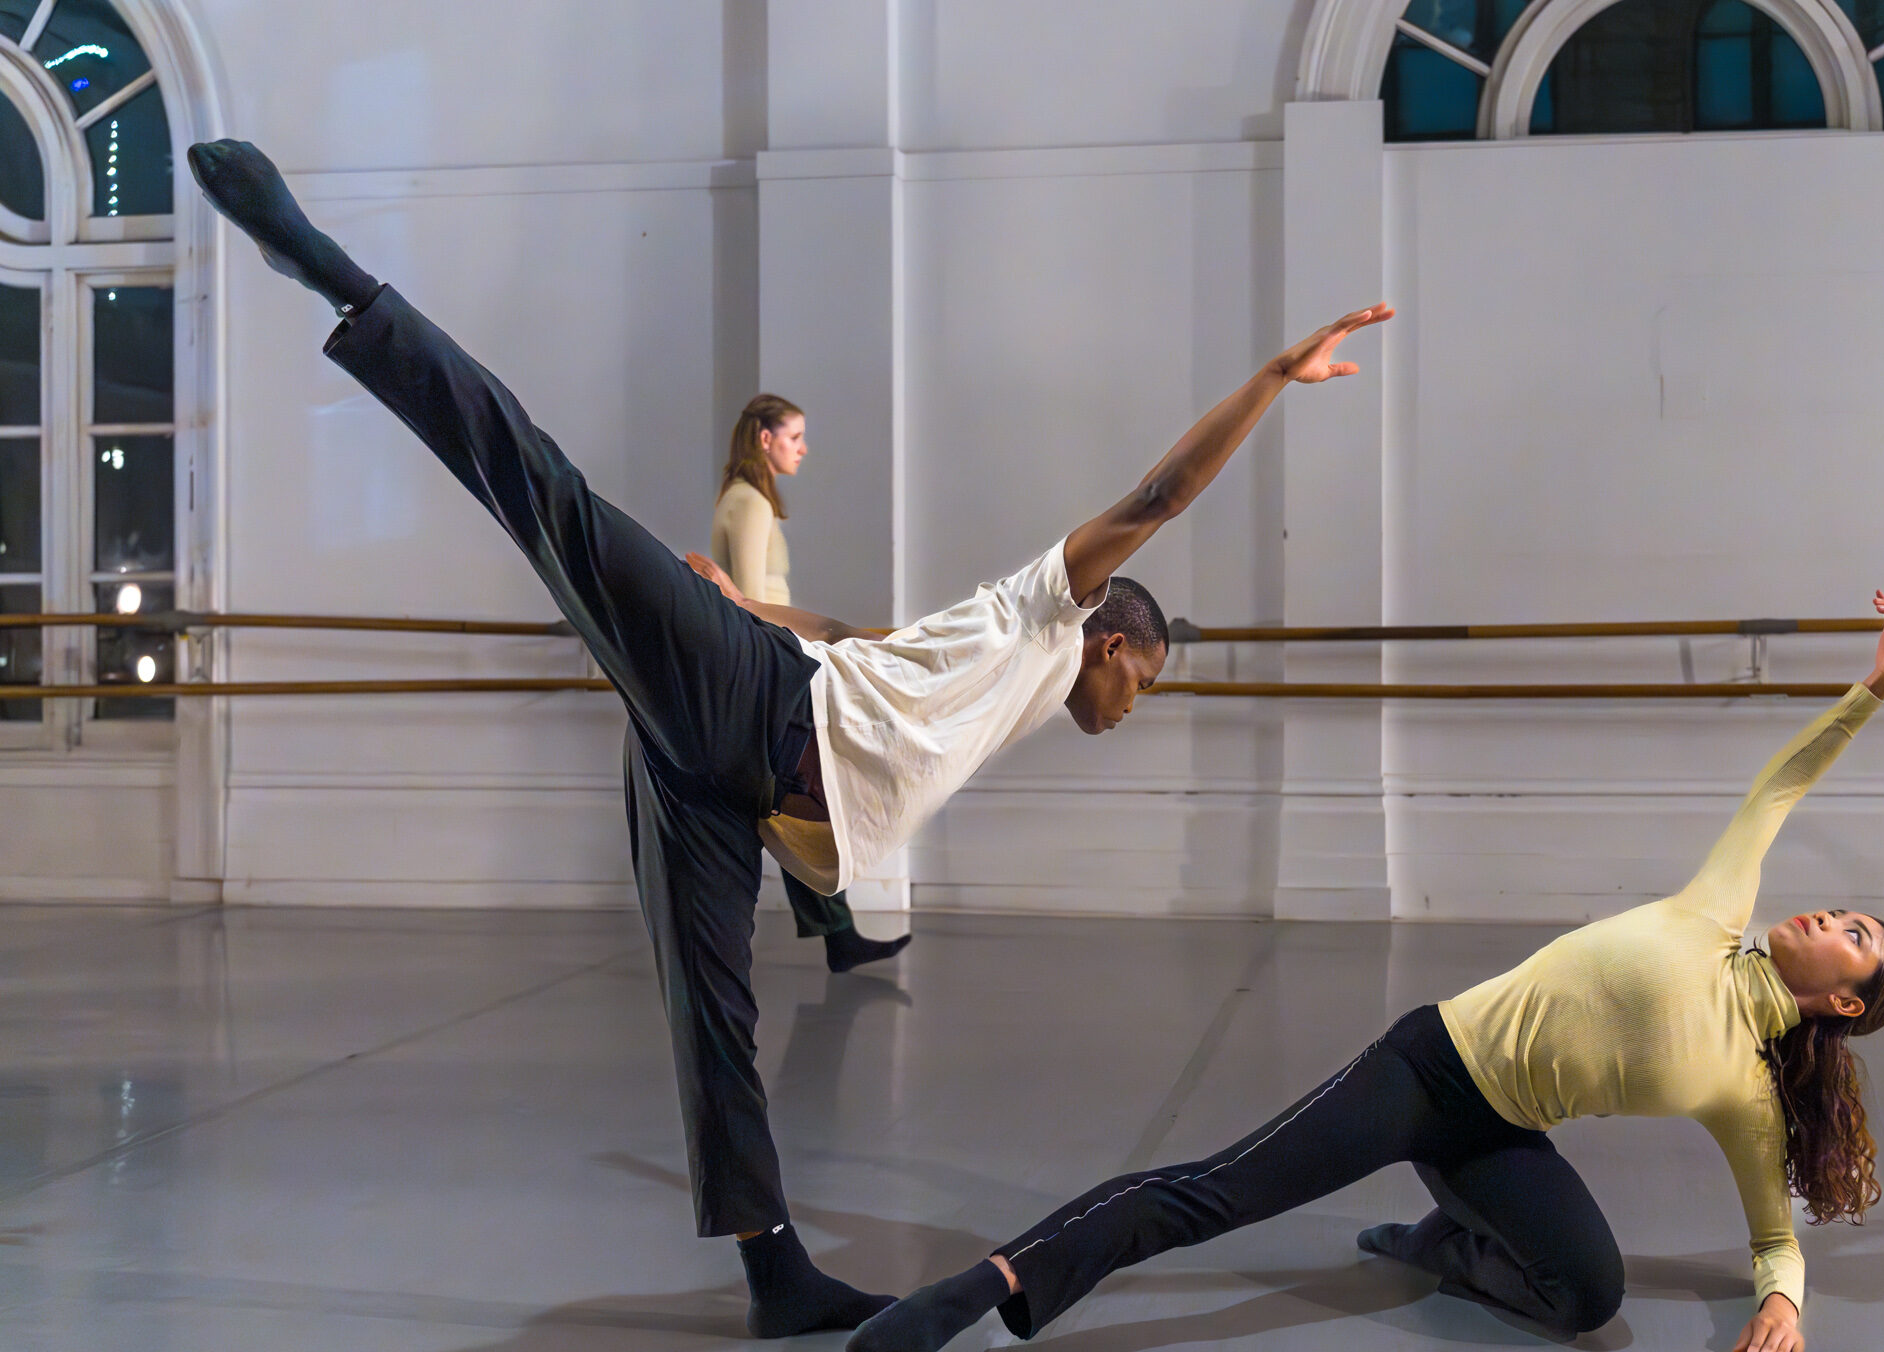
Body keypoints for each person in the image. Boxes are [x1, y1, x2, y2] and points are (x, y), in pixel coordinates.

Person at [183, 137, 1388, 1339]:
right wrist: (1274, 377)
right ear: (1113, 640)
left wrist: (750, 604)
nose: (1134, 709)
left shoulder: (991, 660)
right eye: (1145, 684)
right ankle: (332, 273)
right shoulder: (1050, 605)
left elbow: (864, 636)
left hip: (727, 778)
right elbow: (1158, 499)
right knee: (548, 493)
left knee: (714, 1019)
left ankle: (777, 1276)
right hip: (751, 703)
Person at [849, 594, 1884, 1352]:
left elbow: (1775, 1234)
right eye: (1854, 914)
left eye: (1861, 938)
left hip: (1500, 1133)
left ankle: (1443, 1241)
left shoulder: (1746, 1093)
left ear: (1841, 999)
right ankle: (966, 1296)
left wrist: (1784, 1307)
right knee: (1212, 1193)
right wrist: (1871, 690)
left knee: (1590, 1294)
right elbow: (1782, 788)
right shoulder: (1714, 911)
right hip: (1426, 1066)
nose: (1841, 916)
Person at [711, 392, 907, 973]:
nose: (803, 448)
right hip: (768, 666)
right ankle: (836, 933)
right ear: (765, 439)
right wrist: (798, 661)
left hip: (773, 662)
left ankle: (838, 933)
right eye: (795, 437)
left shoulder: (747, 500)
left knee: (794, 799)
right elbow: (748, 604)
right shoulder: (748, 504)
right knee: (797, 798)